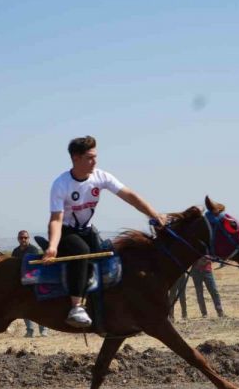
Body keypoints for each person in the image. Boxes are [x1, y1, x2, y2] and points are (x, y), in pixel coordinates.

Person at [43, 135, 167, 328]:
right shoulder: (61, 184)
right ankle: (76, 307)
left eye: (95, 156)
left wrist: (153, 214)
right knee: (82, 252)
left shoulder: (101, 177)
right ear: (76, 158)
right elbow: (56, 219)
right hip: (66, 233)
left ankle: (109, 306)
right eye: (90, 157)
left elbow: (130, 196)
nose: (95, 161)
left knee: (110, 256)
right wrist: (52, 246)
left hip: (87, 230)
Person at [11, 230, 49, 337]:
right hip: (21, 283)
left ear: (28, 238)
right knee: (24, 307)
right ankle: (30, 330)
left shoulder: (33, 250)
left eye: (25, 238)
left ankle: (43, 330)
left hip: (34, 282)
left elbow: (36, 267)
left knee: (39, 306)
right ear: (18, 239)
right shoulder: (15, 251)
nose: (23, 239)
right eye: (21, 238)